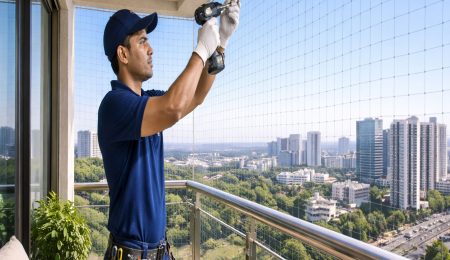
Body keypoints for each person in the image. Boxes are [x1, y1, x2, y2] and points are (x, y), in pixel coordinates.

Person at [98, 1, 240, 259]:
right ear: (123, 54)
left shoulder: (149, 102)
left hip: (159, 251)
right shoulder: (114, 105)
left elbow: (195, 95)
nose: (151, 49)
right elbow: (173, 108)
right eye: (142, 41)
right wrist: (200, 49)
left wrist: (221, 43)